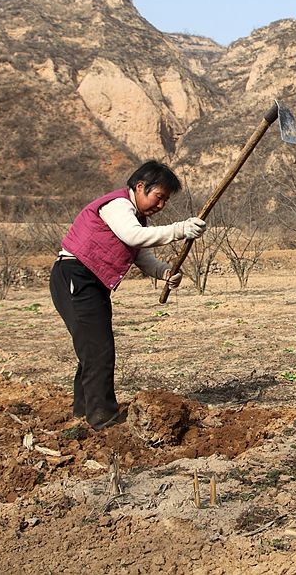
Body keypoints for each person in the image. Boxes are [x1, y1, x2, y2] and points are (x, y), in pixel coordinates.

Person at [49, 160, 205, 430]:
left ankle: (84, 410)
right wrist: (180, 230)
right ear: (141, 186)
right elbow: (133, 237)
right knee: (98, 349)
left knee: (92, 347)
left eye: (166, 201)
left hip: (91, 282)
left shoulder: (137, 219)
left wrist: (165, 272)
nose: (161, 206)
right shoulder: (118, 206)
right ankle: (103, 418)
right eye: (159, 197)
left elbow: (144, 258)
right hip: (75, 276)